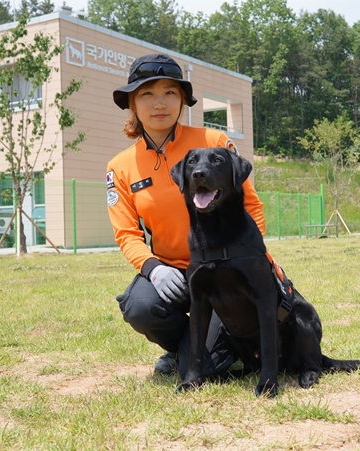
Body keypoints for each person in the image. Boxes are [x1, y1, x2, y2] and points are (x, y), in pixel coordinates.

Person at [106, 53, 267, 377]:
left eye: (170, 93)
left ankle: (200, 352)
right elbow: (127, 234)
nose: (159, 103)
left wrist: (251, 259)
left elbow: (252, 207)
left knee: (211, 368)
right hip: (173, 272)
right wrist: (153, 270)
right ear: (133, 104)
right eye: (147, 94)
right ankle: (186, 350)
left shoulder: (213, 143)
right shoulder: (119, 166)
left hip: (224, 268)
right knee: (141, 306)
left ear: (182, 100)